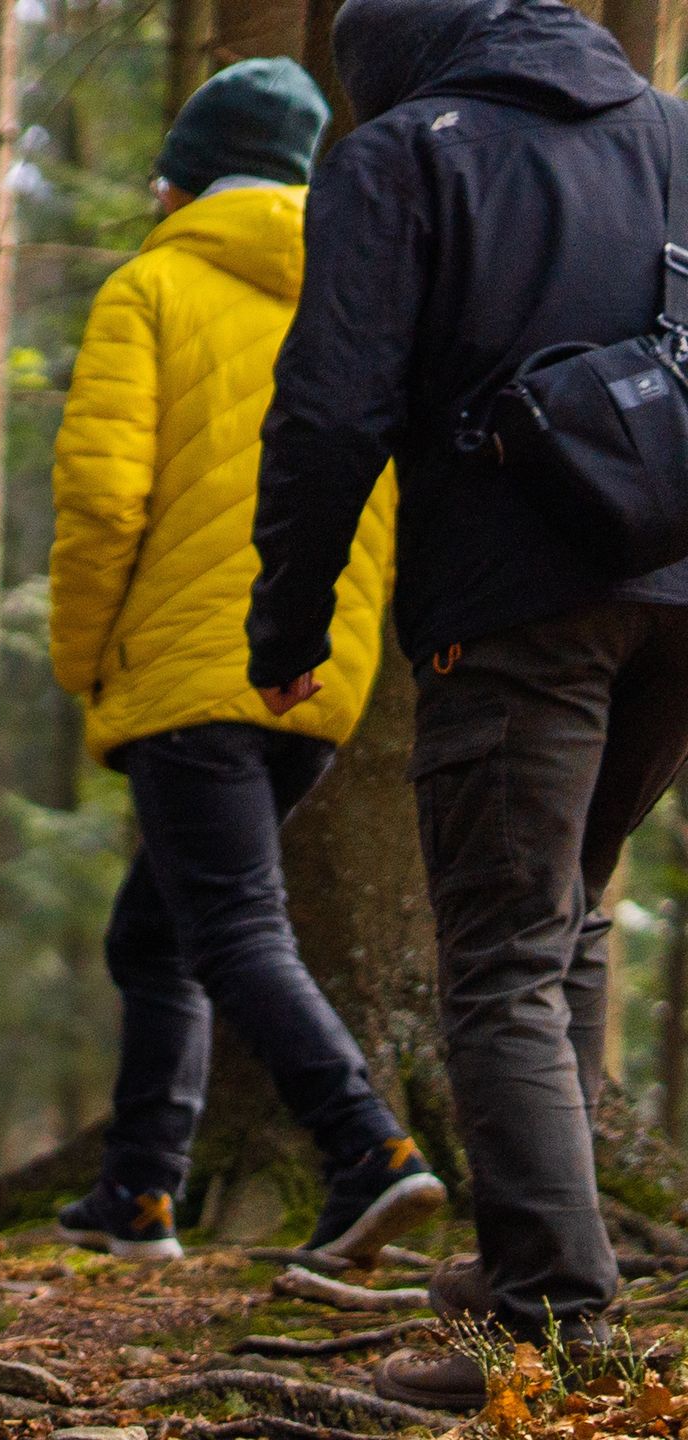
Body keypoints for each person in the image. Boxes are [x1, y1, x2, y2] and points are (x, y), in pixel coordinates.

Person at [243, 0, 688, 1407]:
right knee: (564, 922)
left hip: (514, 602)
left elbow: (328, 409)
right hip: (682, 596)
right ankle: (536, 1259)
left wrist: (289, 616)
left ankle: (553, 1324)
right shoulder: (676, 133)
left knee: (499, 957)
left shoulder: (399, 157)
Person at [47, 58, 446, 1266]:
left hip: (185, 668)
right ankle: (141, 1193)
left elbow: (104, 501)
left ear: (180, 180)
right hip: (316, 678)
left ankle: (370, 1148)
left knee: (230, 930)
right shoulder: (362, 287)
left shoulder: (151, 288)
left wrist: (84, 654)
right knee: (153, 934)